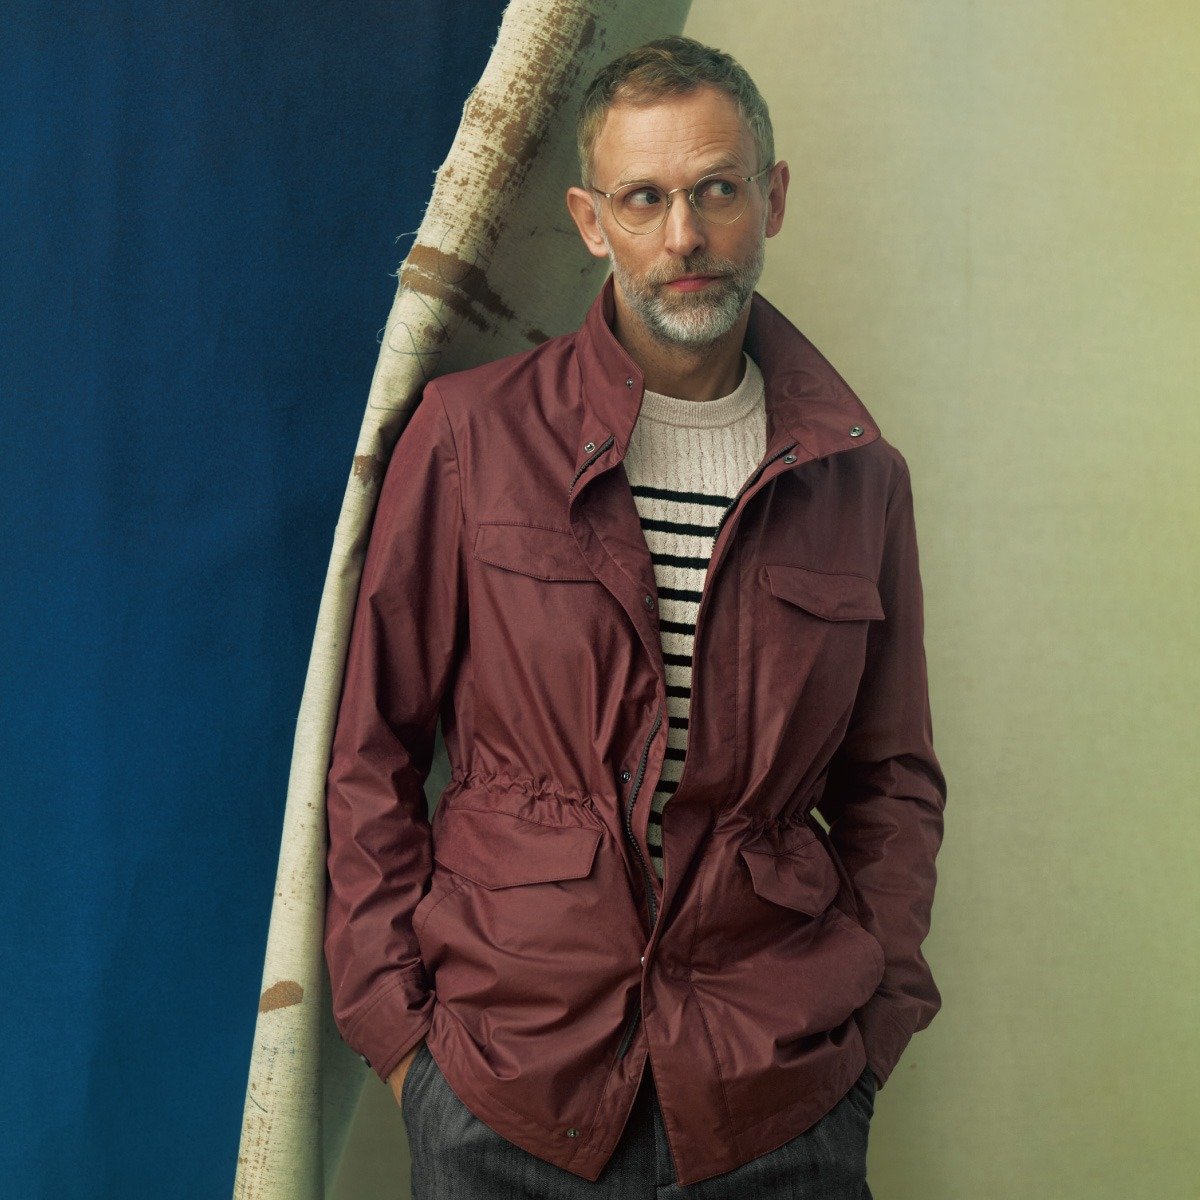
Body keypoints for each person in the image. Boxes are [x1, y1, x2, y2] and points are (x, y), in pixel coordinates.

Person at [324, 34, 946, 1199]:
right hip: (503, 1089)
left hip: (777, 1102)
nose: (684, 236)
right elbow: (370, 755)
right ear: (590, 220)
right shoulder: (469, 437)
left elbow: (894, 779)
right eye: (644, 198)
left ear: (772, 198)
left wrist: (872, 1032)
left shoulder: (860, 479)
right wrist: (400, 1036)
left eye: (717, 190)